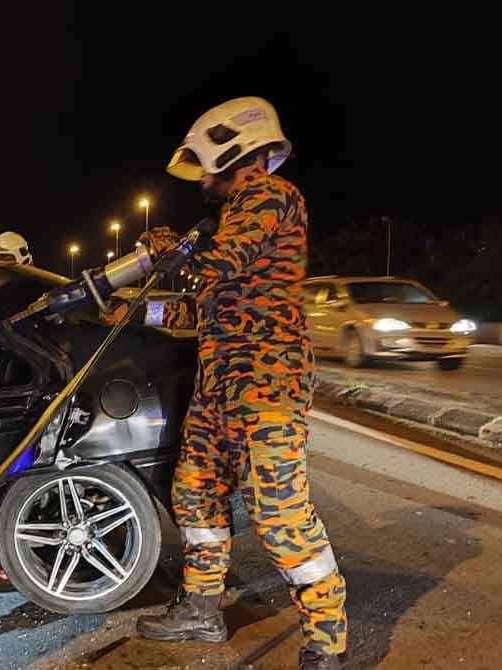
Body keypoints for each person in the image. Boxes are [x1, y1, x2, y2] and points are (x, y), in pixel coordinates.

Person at [135, 97, 347, 670]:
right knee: (195, 490)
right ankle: (203, 610)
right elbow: (207, 302)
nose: (201, 178)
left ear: (229, 149)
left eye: (204, 164)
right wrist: (139, 312)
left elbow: (220, 265)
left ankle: (326, 638)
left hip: (268, 382)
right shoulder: (234, 215)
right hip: (220, 384)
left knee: (280, 514)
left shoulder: (271, 198)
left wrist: (173, 251)